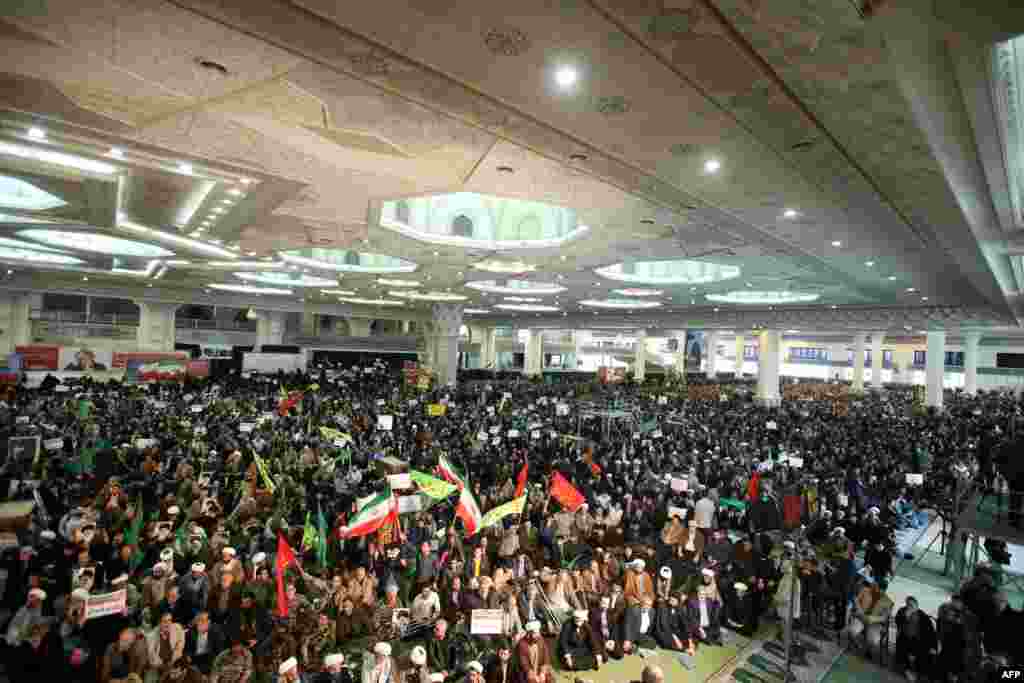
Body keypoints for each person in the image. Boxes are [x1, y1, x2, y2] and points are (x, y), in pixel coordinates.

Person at [894, 596, 937, 682]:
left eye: (912, 605)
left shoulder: (923, 616)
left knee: (925, 651)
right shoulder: (902, 611)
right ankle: (907, 670)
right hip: (904, 637)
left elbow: (931, 632)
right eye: (908, 604)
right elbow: (897, 622)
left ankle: (920, 672)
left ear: (917, 605)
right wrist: (905, 617)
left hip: (918, 640)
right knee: (903, 649)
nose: (910, 606)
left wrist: (933, 646)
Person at [847, 580, 893, 657]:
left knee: (873, 640)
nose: (875, 588)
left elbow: (884, 617)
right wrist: (860, 610)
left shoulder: (888, 602)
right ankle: (859, 646)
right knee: (852, 631)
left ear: (883, 590)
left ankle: (867, 650)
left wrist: (872, 619)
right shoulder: (865, 590)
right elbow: (856, 600)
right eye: (875, 586)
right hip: (860, 617)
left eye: (877, 588)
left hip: (874, 623)